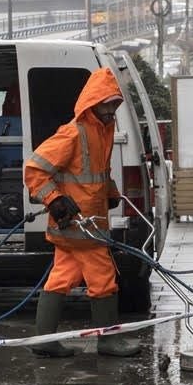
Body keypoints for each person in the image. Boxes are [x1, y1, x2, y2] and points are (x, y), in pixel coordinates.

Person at [22, 66, 138, 358]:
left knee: (61, 276)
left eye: (115, 104)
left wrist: (110, 194)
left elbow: (98, 172)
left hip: (84, 223)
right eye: (107, 104)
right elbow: (35, 169)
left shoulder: (103, 131)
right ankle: (108, 341)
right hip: (80, 225)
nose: (112, 110)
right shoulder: (73, 133)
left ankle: (44, 340)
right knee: (103, 278)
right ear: (93, 103)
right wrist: (56, 200)